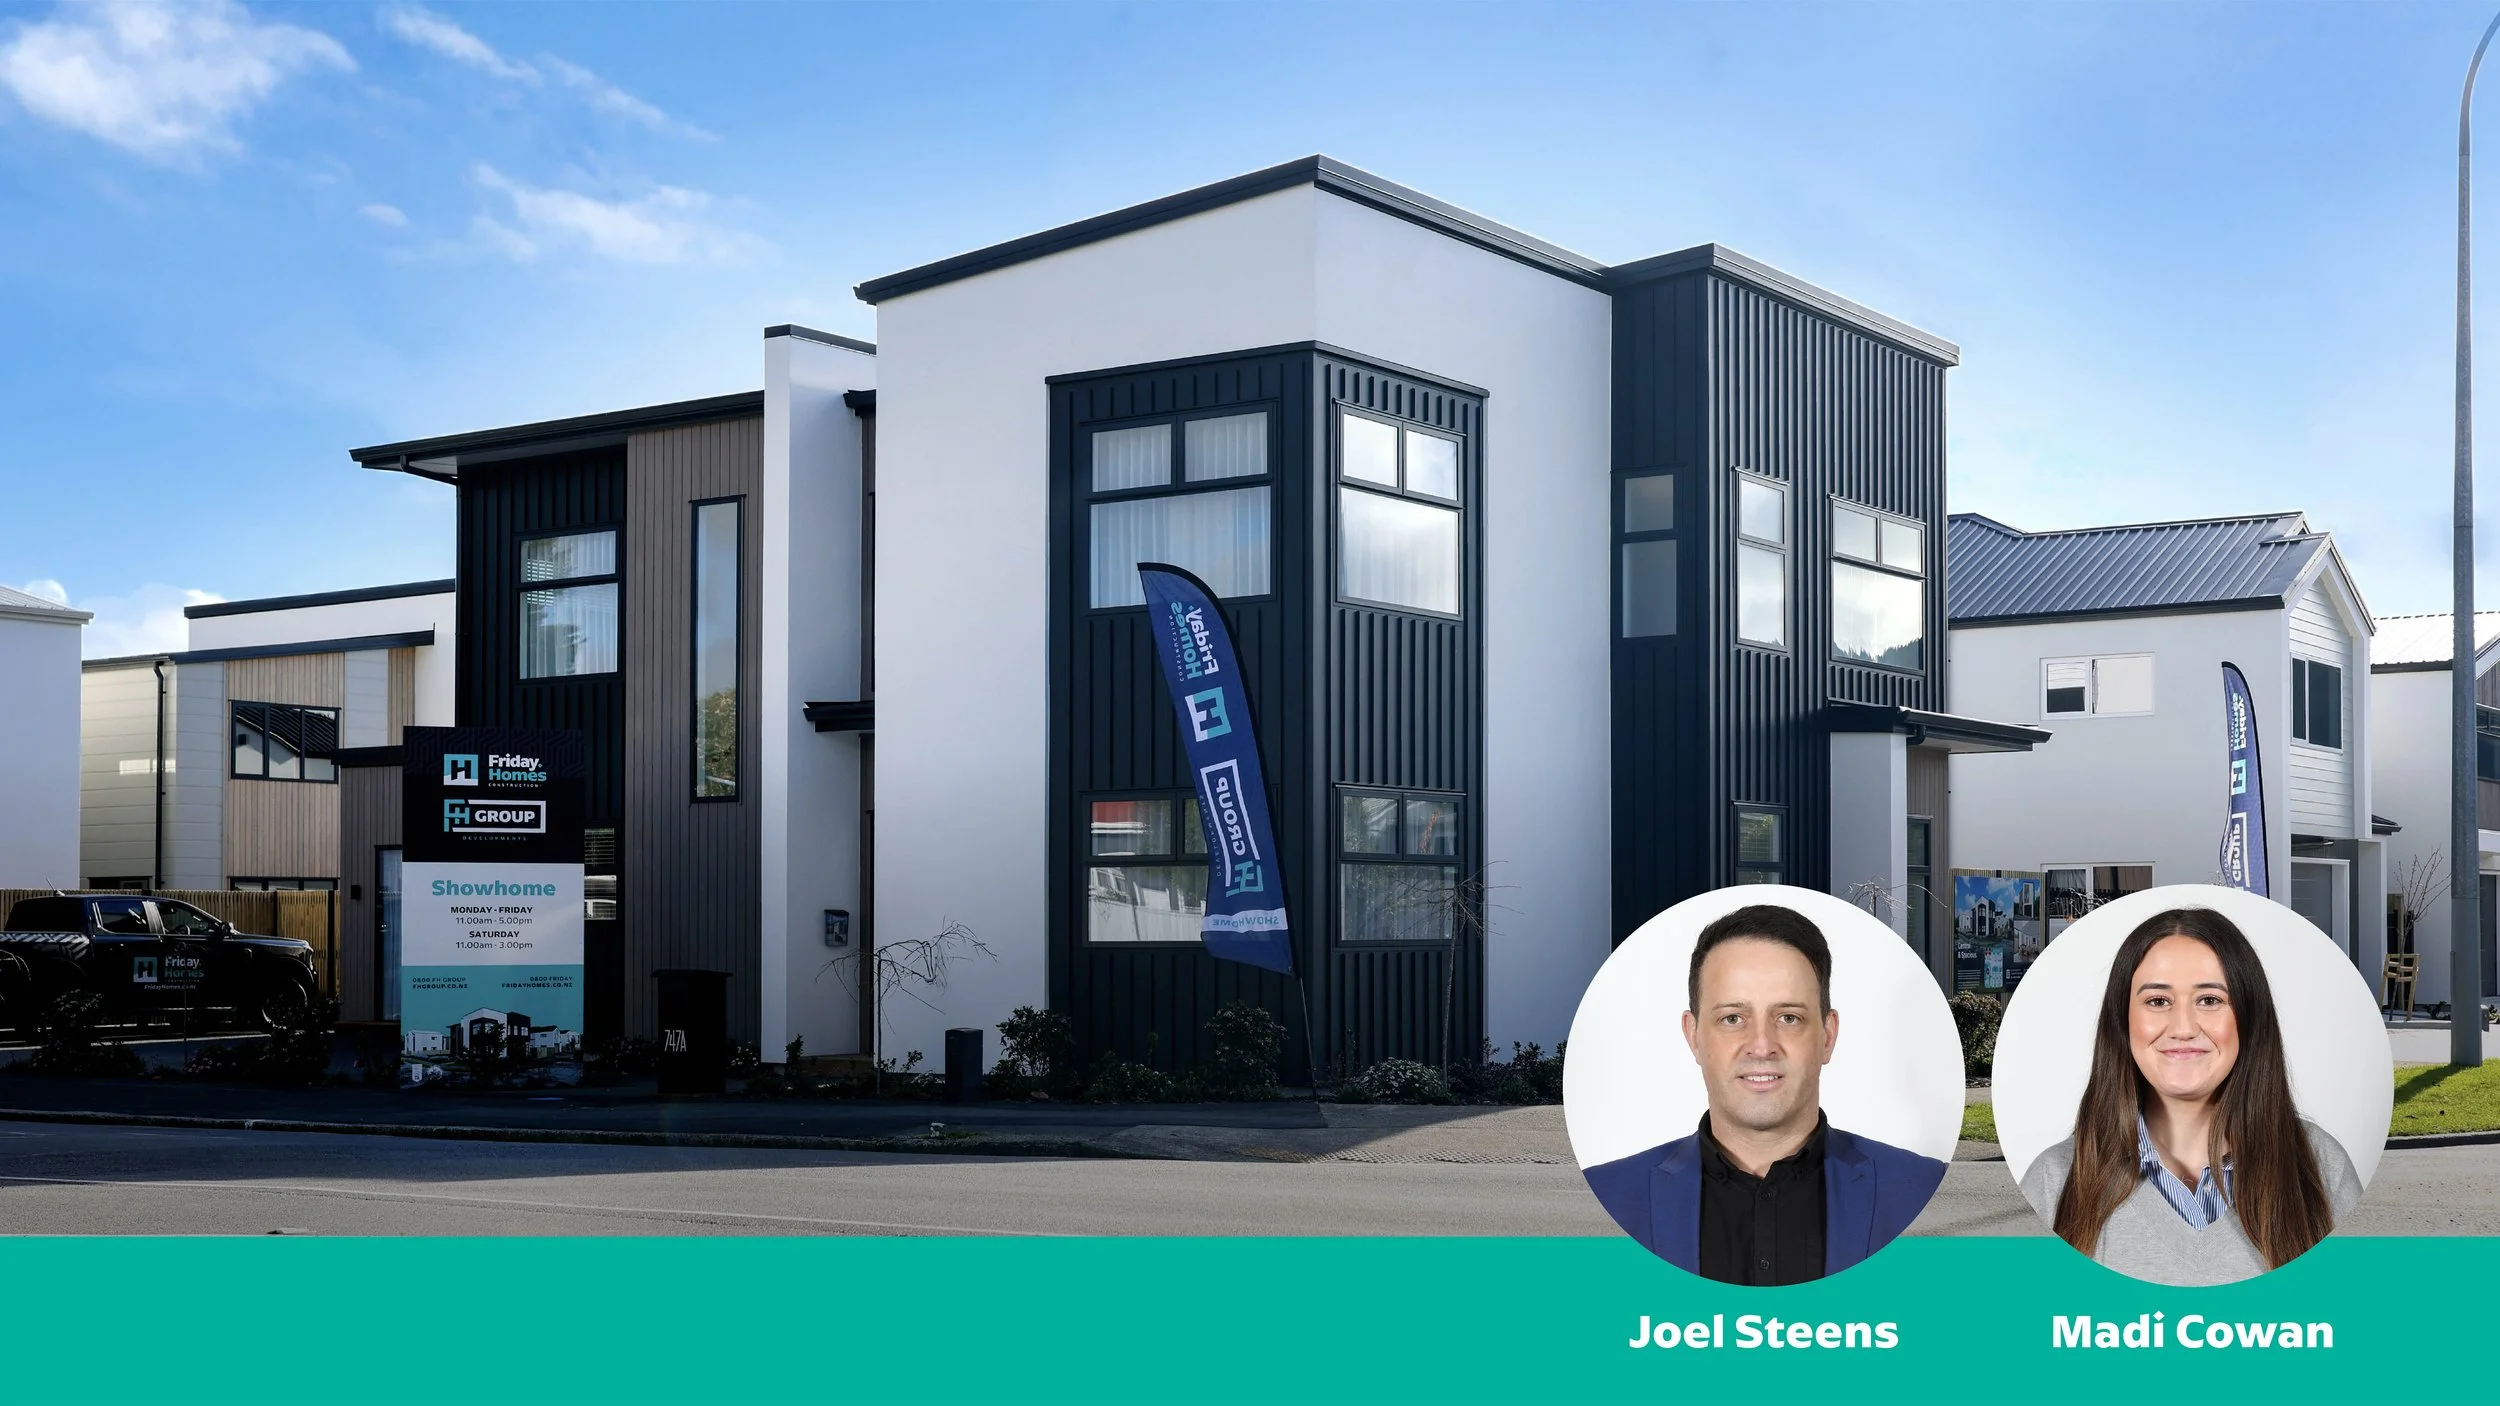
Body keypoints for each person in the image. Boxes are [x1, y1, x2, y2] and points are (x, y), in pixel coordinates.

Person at [1581, 903, 1948, 1284]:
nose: (1761, 1045)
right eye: (1732, 1018)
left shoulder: (1923, 1188)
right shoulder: (1606, 1195)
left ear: (1827, 1036)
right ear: (1693, 1036)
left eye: (1788, 1017)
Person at [2018, 907, 2363, 1286]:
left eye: (2210, 1000)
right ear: (2123, 1020)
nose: (2183, 1028)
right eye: (2158, 1001)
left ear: (2249, 1017)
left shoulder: (2321, 1167)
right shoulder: (2055, 1181)